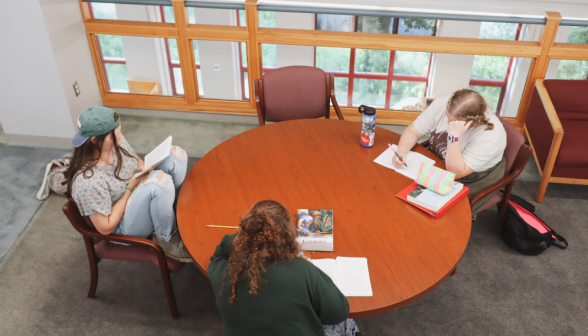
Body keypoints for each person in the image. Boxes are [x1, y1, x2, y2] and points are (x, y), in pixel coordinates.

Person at [208, 200, 359, 336]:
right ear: (286, 234)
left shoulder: (220, 272)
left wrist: (245, 236)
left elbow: (220, 250)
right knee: (348, 323)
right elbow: (339, 313)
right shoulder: (302, 269)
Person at [64, 106, 191, 262]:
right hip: (124, 224)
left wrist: (142, 167)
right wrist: (131, 187)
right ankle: (166, 239)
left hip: (137, 190)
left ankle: (172, 213)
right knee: (159, 182)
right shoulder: (87, 181)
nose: (121, 137)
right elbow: (105, 228)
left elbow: (134, 159)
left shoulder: (116, 143)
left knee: (176, 155)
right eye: (116, 135)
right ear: (95, 140)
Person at [392, 89, 507, 219]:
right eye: (447, 117)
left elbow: (456, 172)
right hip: (441, 157)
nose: (447, 123)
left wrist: (454, 136)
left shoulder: (490, 135)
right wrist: (401, 151)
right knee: (400, 188)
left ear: (471, 122)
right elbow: (413, 131)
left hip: (472, 175)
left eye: (452, 122)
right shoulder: (443, 104)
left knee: (439, 213)